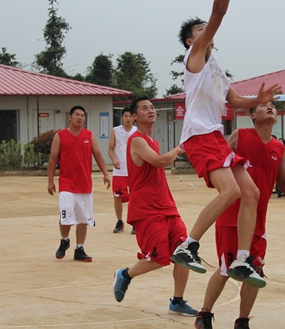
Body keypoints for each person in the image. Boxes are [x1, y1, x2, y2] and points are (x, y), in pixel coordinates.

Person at [171, 0, 281, 289]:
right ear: (191, 40)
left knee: (251, 193)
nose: (208, 30)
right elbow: (218, 12)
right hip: (199, 135)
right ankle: (188, 245)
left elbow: (236, 100)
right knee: (232, 191)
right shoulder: (195, 56)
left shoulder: (217, 70)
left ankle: (242, 260)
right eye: (201, 29)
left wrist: (259, 99)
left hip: (214, 136)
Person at [195, 102, 285, 329]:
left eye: (272, 106)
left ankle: (242, 321)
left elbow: (283, 184)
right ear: (252, 115)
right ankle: (204, 314)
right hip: (231, 217)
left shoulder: (279, 148)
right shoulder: (240, 136)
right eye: (263, 106)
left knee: (255, 271)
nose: (270, 108)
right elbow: (218, 161)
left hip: (258, 222)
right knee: (226, 268)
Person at [112, 97, 198, 317]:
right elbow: (160, 161)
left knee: (183, 252)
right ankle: (125, 275)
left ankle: (177, 301)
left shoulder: (153, 141)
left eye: (152, 107)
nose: (150, 110)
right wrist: (178, 149)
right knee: (159, 258)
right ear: (134, 116)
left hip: (167, 206)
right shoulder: (136, 140)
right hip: (147, 209)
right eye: (144, 108)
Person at [48, 105, 111, 262]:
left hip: (84, 184)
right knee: (66, 213)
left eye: (82, 115)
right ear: (70, 117)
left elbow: (98, 154)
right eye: (77, 115)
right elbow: (53, 159)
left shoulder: (89, 135)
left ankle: (79, 249)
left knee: (83, 218)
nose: (80, 117)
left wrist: (105, 173)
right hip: (66, 184)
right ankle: (64, 240)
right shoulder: (60, 136)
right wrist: (50, 181)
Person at [108, 107, 137, 234]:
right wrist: (114, 160)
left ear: (134, 118)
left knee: (135, 197)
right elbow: (110, 149)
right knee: (117, 197)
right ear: (122, 117)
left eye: (130, 116)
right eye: (126, 116)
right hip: (119, 171)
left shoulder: (137, 131)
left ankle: (135, 222)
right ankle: (119, 221)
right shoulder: (115, 131)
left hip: (134, 171)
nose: (128, 118)